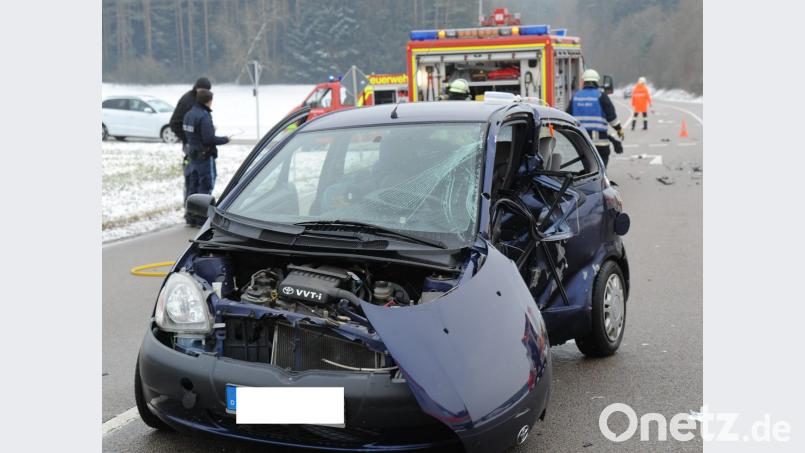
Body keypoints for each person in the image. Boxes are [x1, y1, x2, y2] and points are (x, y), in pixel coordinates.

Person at [182, 89, 230, 226]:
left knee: (193, 186)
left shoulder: (189, 114)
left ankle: (190, 216)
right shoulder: (203, 116)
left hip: (192, 155)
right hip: (204, 156)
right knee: (205, 186)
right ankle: (201, 218)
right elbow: (208, 138)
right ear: (209, 101)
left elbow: (190, 135)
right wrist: (225, 139)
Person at [170, 77, 212, 223]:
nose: (205, 93)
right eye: (203, 90)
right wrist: (188, 138)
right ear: (197, 88)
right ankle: (192, 214)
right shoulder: (187, 100)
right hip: (192, 147)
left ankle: (195, 214)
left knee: (195, 180)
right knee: (194, 180)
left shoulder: (199, 101)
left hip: (197, 145)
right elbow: (174, 123)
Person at [567, 69, 624, 168]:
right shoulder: (600, 95)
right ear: (596, 81)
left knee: (585, 167)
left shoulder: (576, 96)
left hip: (581, 141)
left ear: (584, 81)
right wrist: (619, 130)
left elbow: (567, 117)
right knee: (601, 166)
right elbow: (612, 117)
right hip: (600, 142)